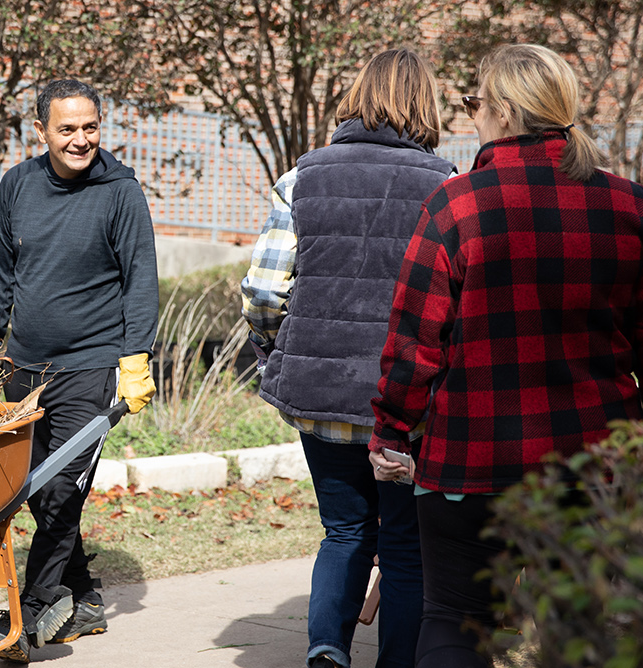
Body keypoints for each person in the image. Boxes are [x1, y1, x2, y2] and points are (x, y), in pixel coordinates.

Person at [367, 43, 643, 667]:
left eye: (475, 104)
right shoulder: (630, 206)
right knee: (577, 626)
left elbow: (414, 344)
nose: (471, 117)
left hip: (468, 463)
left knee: (454, 620)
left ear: (506, 113)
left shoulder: (456, 205)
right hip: (593, 464)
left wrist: (392, 430)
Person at [240, 49, 456, 668]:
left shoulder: (301, 177)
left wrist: (276, 353)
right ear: (424, 106)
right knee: (406, 547)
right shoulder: (446, 186)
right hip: (407, 408)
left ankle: (328, 651)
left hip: (320, 397)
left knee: (343, 532)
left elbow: (262, 290)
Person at [0, 78, 159, 663]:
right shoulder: (18, 185)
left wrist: (135, 358)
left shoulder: (120, 191)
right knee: (33, 490)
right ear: (41, 132)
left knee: (58, 493)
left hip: (92, 366)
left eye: (90, 127)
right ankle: (81, 594)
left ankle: (27, 615)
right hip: (24, 366)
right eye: (67, 128)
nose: (81, 139)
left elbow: (140, 277)